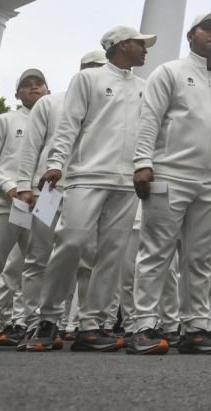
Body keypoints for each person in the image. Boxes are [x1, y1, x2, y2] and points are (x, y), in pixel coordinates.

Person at [126, 11, 211, 355]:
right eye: (208, 28)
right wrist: (142, 163)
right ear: (191, 35)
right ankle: (144, 325)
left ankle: (196, 326)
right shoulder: (170, 72)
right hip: (168, 174)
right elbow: (149, 119)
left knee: (201, 257)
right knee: (156, 251)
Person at [28, 26, 154, 352]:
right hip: (86, 175)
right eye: (140, 44)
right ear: (122, 45)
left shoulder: (145, 87)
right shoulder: (88, 79)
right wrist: (55, 162)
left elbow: (150, 132)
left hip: (126, 181)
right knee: (70, 242)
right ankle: (48, 318)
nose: (146, 49)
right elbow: (69, 124)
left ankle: (91, 325)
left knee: (112, 254)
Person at [16, 50, 107, 350]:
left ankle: (84, 324)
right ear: (81, 69)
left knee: (87, 259)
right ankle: (33, 323)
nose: (97, 75)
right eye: (92, 68)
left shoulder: (111, 103)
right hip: (49, 191)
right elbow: (31, 146)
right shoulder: (51, 103)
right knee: (38, 256)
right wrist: (24, 186)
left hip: (89, 190)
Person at [0, 69, 48, 350]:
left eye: (39, 83)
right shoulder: (5, 120)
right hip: (4, 203)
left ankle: (33, 325)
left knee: (39, 265)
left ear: (48, 90)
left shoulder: (58, 124)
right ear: (17, 94)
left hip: (42, 204)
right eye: (27, 85)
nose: (34, 88)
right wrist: (11, 187)